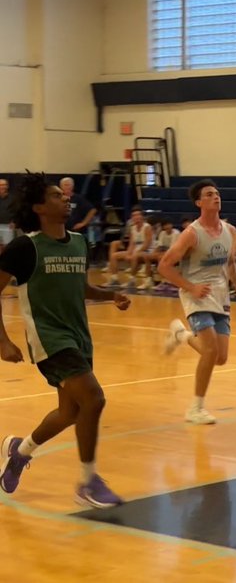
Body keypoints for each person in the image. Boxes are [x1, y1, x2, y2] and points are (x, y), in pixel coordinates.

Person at [0, 171, 130, 508]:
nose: (65, 198)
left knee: (70, 412)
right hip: (49, 339)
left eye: (64, 194)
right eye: (57, 195)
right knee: (94, 399)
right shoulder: (24, 247)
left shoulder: (78, 242)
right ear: (40, 207)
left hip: (79, 337)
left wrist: (110, 294)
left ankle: (20, 450)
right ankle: (88, 481)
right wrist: (3, 341)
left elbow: (82, 287)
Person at [158, 180, 236, 425]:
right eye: (209, 194)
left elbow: (229, 263)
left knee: (220, 357)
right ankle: (195, 407)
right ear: (199, 202)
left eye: (217, 193)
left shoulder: (229, 231)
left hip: (221, 295)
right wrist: (191, 287)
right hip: (196, 295)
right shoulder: (191, 233)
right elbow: (164, 266)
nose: (216, 197)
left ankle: (180, 335)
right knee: (209, 350)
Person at [106, 207, 152, 287]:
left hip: (147, 250)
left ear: (142, 217)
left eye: (138, 215)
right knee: (114, 256)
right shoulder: (132, 228)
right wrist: (129, 253)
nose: (136, 217)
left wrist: (135, 252)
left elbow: (147, 244)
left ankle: (132, 280)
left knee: (135, 256)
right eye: (134, 215)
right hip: (136, 250)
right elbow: (132, 243)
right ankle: (114, 279)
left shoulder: (147, 227)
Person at [138, 217, 181, 290]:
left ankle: (165, 281)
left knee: (161, 258)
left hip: (176, 253)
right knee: (146, 256)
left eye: (168, 224)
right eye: (165, 225)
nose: (167, 226)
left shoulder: (176, 233)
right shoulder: (162, 233)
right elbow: (159, 246)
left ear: (171, 225)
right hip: (164, 252)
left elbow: (172, 249)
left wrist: (159, 254)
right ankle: (148, 280)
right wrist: (153, 254)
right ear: (163, 227)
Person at [60, 177, 98, 248]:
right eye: (65, 185)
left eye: (69, 185)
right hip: (61, 229)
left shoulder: (79, 198)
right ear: (61, 186)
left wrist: (84, 223)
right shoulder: (57, 198)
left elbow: (92, 210)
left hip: (76, 231)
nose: (67, 187)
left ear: (72, 186)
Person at [0, 179, 12, 255]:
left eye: (4, 185)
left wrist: (14, 222)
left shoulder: (13, 199)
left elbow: (17, 212)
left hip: (8, 227)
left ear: (7, 186)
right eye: (0, 185)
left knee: (7, 248)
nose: (2, 187)